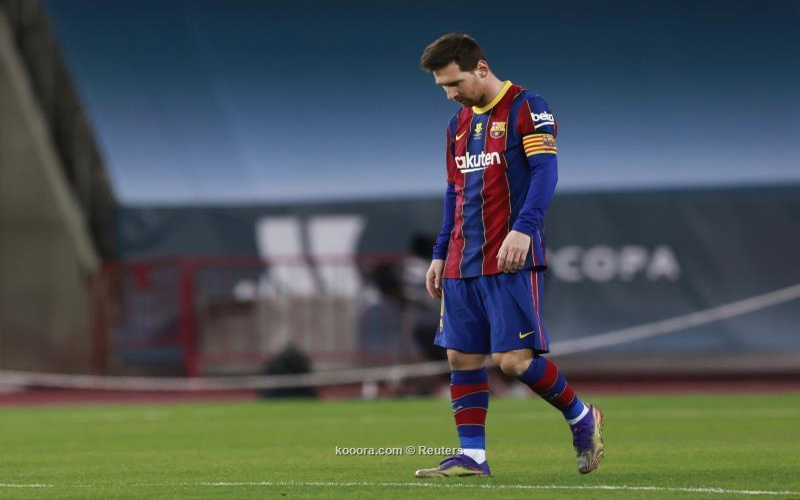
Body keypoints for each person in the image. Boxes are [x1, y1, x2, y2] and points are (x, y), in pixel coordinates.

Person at [414, 33, 605, 478]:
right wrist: (440, 252)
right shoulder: (456, 125)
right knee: (461, 357)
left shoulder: (527, 107)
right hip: (462, 258)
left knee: (513, 361)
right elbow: (454, 191)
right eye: (442, 87)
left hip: (509, 256)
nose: (450, 94)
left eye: (455, 83)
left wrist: (523, 229)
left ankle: (581, 416)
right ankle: (473, 457)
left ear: (481, 68)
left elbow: (545, 173)